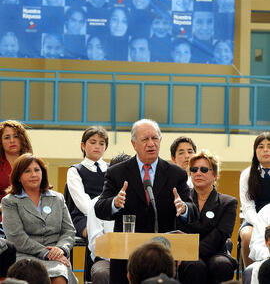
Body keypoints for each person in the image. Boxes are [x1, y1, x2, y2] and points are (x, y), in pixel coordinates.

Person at [94, 118, 199, 284]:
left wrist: (184, 207)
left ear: (160, 140)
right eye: (145, 139)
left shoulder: (176, 174)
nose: (151, 144)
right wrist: (114, 203)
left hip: (164, 256)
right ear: (134, 143)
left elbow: (193, 212)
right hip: (125, 257)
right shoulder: (117, 173)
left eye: (155, 138)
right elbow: (100, 208)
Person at [2, 153, 77, 284]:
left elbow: (69, 231)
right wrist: (45, 253)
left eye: (37, 170)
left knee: (59, 279)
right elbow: (16, 237)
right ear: (18, 177)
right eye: (27, 171)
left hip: (56, 256)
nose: (34, 174)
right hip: (24, 257)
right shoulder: (10, 201)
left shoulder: (57, 198)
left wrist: (61, 249)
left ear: (43, 173)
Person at [177, 150, 238, 284]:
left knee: (220, 264)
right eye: (194, 169)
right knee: (194, 265)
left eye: (204, 169)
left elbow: (220, 234)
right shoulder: (181, 201)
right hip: (187, 253)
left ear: (215, 175)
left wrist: (194, 251)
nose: (198, 173)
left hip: (216, 251)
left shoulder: (228, 202)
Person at [87, 153, 131, 284]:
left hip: (137, 260)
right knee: (102, 274)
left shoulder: (142, 202)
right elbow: (96, 244)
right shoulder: (96, 203)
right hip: (107, 260)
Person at [66, 126, 109, 239]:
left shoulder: (112, 169)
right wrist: (101, 217)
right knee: (98, 235)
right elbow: (82, 203)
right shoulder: (75, 171)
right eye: (93, 142)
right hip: (83, 217)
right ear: (83, 145)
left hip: (109, 216)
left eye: (101, 143)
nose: (97, 147)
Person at [239, 133, 270, 268]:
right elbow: (247, 207)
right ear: (255, 151)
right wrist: (260, 224)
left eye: (269, 146)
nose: (265, 150)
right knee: (247, 236)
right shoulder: (247, 174)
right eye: (260, 147)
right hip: (254, 220)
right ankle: (250, 274)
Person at [0, 120, 32, 222]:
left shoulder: (33, 163)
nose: (12, 141)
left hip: (29, 216)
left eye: (16, 136)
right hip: (2, 216)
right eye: (7, 137)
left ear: (22, 139)